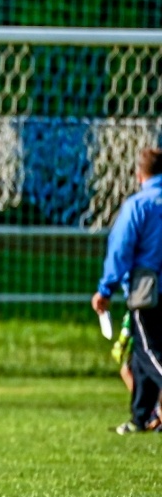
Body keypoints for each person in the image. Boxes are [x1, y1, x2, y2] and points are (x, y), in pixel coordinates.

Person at [93, 145, 162, 434]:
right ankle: (142, 417)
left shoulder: (139, 205)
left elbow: (121, 250)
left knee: (149, 351)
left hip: (149, 290)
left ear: (138, 174)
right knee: (139, 357)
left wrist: (105, 289)